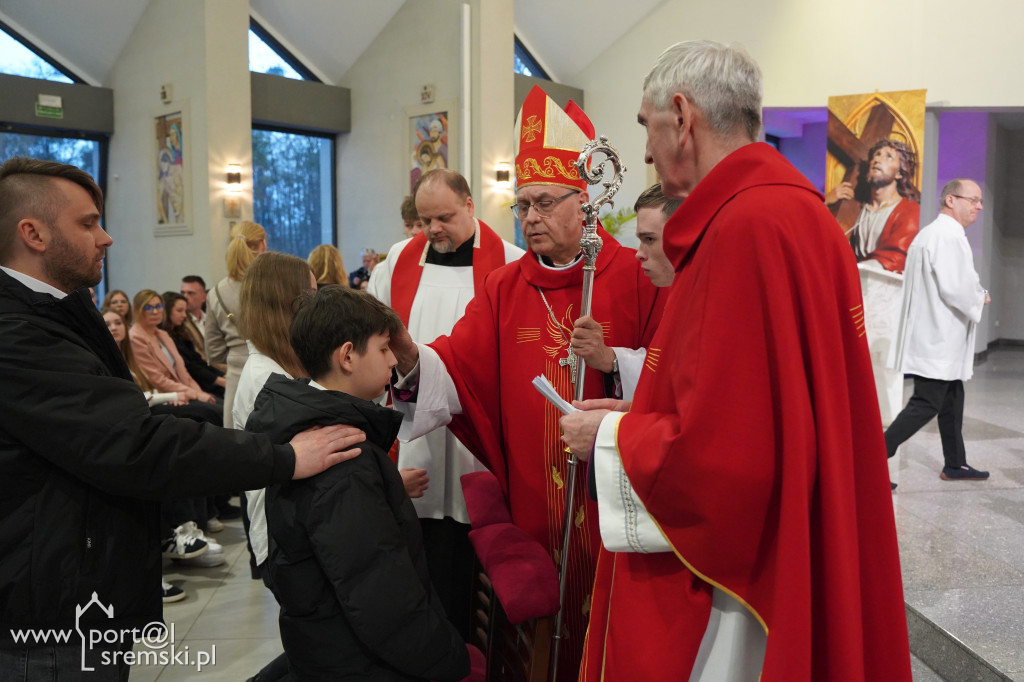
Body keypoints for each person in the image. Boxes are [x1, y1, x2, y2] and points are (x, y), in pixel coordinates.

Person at [557, 41, 911, 681]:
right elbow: (757, 406)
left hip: (740, 588)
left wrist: (607, 436)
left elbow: (727, 457)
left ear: (683, 117)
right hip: (793, 527)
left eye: (646, 126)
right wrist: (639, 409)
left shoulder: (743, 227)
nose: (643, 151)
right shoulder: (797, 209)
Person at [0, 156, 365, 678]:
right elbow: (135, 443)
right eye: (87, 223)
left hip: (73, 582)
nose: (105, 238)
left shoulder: (59, 308)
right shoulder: (17, 332)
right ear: (32, 233)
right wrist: (284, 457)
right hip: (47, 608)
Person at [387, 84, 663, 679]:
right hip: (535, 503)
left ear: (585, 201)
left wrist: (615, 359)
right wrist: (410, 357)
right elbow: (457, 365)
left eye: (543, 202)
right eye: (523, 204)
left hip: (614, 499)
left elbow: (674, 377)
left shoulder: (637, 276)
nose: (529, 217)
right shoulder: (504, 287)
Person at [248, 286, 470, 681]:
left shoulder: (307, 424)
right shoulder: (342, 455)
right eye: (384, 349)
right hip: (356, 661)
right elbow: (378, 592)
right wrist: (446, 657)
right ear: (347, 356)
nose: (392, 362)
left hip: (328, 643)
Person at [367, 168, 523, 638]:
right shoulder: (397, 262)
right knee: (424, 541)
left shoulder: (510, 261)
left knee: (471, 530)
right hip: (414, 421)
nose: (433, 229)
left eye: (445, 217)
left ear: (471, 206)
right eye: (425, 218)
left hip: (477, 421)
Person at [885, 178, 991, 481]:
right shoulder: (947, 236)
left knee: (952, 398)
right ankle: (868, 461)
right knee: (926, 403)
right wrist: (981, 296)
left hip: (938, 335)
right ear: (951, 200)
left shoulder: (933, 233)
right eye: (973, 200)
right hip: (938, 337)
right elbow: (956, 288)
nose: (979, 206)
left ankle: (955, 463)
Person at [206, 220, 267, 427]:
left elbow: (213, 350)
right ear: (263, 245)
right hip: (275, 373)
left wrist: (237, 355)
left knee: (237, 440)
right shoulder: (272, 286)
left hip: (236, 376)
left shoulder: (216, 293)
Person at [829, 138, 921, 273]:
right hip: (854, 282)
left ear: (899, 173)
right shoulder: (855, 209)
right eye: (876, 155)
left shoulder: (910, 211)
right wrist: (826, 203)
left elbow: (895, 256)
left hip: (885, 286)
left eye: (888, 157)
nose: (878, 160)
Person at [130, 288, 220, 408]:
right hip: (163, 397)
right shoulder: (135, 338)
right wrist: (195, 394)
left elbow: (184, 372)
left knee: (219, 406)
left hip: (182, 392)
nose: (155, 311)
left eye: (158, 306)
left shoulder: (162, 334)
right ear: (137, 311)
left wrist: (199, 393)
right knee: (215, 412)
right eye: (148, 308)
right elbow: (157, 379)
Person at [161, 290, 226, 397]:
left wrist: (222, 376)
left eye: (185, 311)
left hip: (202, 379)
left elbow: (198, 360)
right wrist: (220, 380)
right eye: (179, 311)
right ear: (167, 311)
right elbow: (190, 367)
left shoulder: (180, 335)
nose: (184, 315)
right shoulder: (164, 337)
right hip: (192, 383)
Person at [180, 274, 209, 358]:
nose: (185, 297)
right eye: (182, 293)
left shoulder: (211, 320)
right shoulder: (181, 323)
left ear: (203, 297)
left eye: (191, 293)